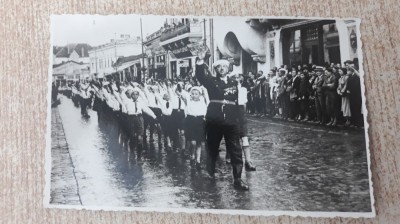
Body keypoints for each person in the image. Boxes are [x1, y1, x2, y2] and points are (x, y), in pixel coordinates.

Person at [195, 48, 249, 191]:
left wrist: (241, 123)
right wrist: (200, 61)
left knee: (235, 150)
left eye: (224, 66)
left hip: (231, 121)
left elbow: (239, 103)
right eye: (219, 67)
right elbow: (200, 76)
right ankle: (211, 172)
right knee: (212, 147)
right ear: (216, 69)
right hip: (215, 120)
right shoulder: (211, 81)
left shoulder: (234, 83)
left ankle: (238, 179)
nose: (222, 69)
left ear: (228, 68)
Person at [184, 86, 208, 171]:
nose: (194, 95)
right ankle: (192, 155)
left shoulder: (202, 102)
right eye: (192, 94)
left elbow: (205, 110)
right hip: (191, 122)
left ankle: (198, 160)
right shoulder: (189, 102)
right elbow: (185, 96)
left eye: (196, 94)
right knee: (193, 142)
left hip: (200, 122)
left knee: (199, 143)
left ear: (200, 95)